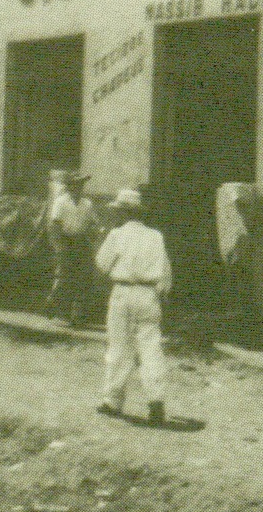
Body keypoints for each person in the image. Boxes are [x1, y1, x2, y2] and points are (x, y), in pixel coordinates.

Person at [95, 187, 172, 426]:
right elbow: (166, 272)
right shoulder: (156, 236)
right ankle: (156, 402)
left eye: (118, 211)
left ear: (124, 213)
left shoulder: (117, 235)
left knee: (119, 346)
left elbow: (102, 265)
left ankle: (113, 400)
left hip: (123, 291)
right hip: (148, 293)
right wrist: (160, 295)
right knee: (150, 348)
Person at [46, 170, 101, 327]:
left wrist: (95, 231)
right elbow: (55, 225)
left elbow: (92, 223)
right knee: (64, 276)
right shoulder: (61, 202)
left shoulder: (87, 204)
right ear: (69, 187)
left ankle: (78, 316)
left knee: (84, 277)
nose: (78, 188)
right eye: (75, 185)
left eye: (81, 185)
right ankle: (54, 306)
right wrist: (59, 246)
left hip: (81, 241)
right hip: (66, 240)